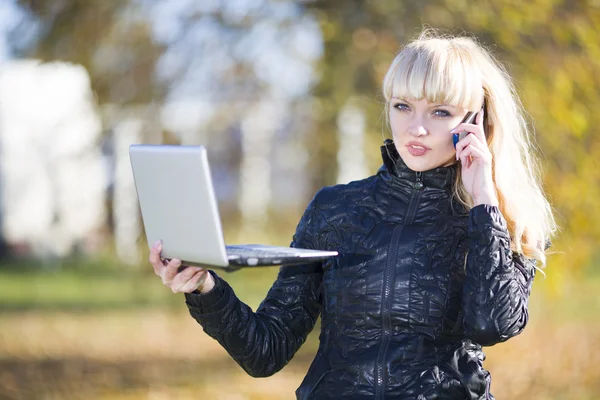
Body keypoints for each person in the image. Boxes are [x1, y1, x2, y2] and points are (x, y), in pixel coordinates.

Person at [148, 29, 556, 400]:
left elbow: (494, 324)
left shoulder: (502, 220)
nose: (415, 128)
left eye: (439, 112)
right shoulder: (334, 209)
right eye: (402, 106)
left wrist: (483, 196)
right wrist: (203, 288)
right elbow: (265, 352)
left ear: (476, 122)